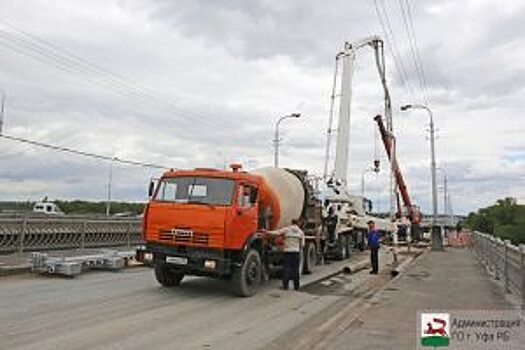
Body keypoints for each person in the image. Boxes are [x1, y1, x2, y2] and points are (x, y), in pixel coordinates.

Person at [270, 218, 305, 290]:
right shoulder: (301, 232)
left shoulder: (287, 229)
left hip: (287, 252)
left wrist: (267, 232)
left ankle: (285, 286)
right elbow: (302, 245)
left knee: (286, 269)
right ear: (298, 223)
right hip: (296, 252)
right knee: (295, 269)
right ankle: (296, 286)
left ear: (291, 223)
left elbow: (277, 233)